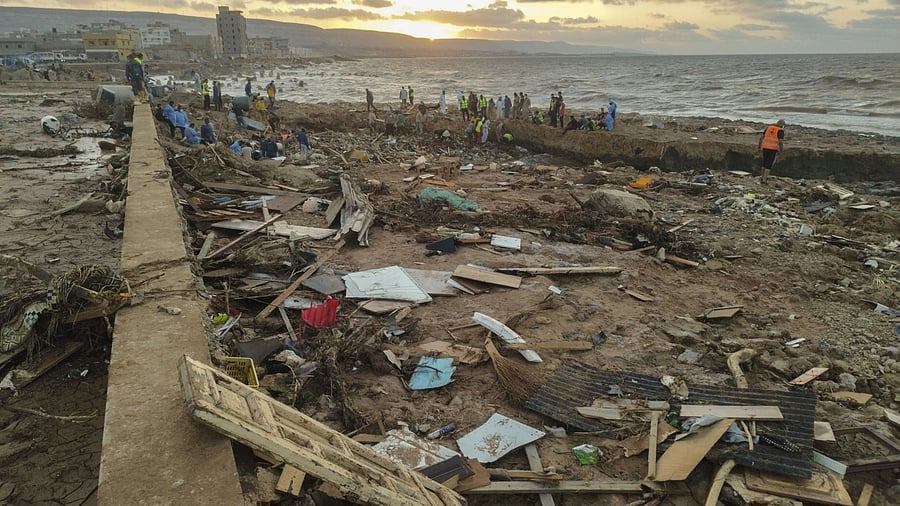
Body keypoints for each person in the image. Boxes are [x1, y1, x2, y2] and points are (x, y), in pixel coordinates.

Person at [758, 119, 785, 185]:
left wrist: (759, 147)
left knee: (764, 163)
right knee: (769, 165)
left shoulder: (768, 128)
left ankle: (762, 177)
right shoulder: (780, 131)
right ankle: (764, 180)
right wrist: (781, 150)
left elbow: (761, 138)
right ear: (782, 126)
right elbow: (780, 142)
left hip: (765, 147)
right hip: (773, 149)